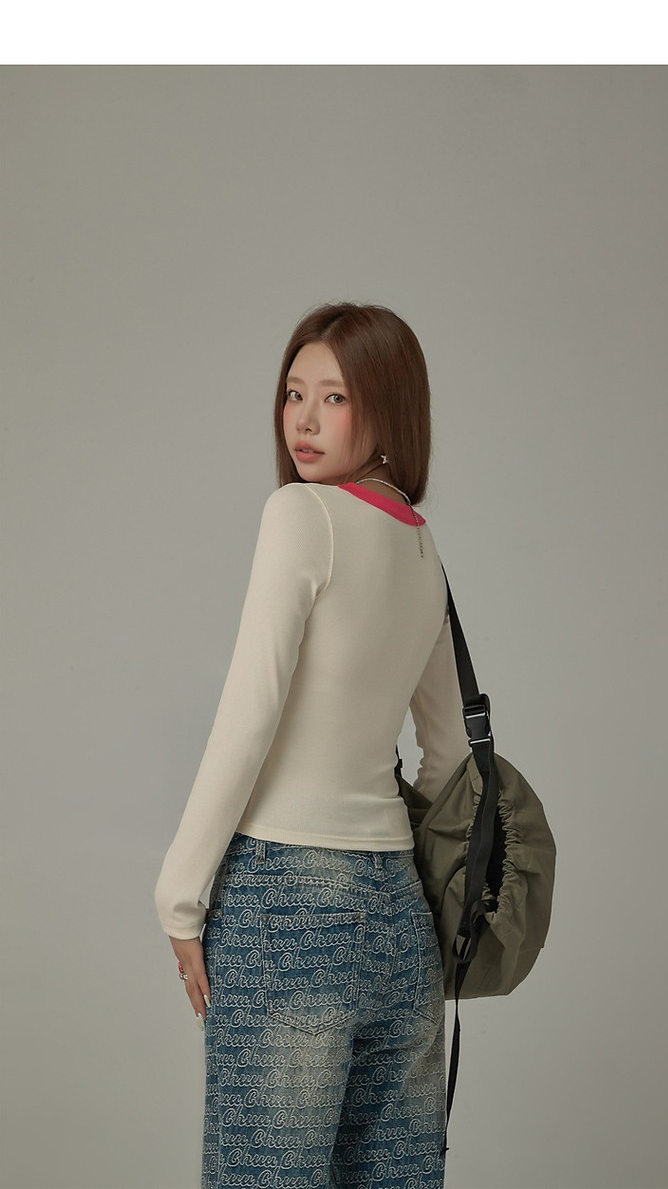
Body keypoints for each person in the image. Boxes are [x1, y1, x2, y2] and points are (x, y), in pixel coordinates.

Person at [154, 301, 469, 1189]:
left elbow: (249, 713)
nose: (304, 418)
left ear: (387, 409)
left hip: (286, 903)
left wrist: (179, 894)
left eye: (335, 396)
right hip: (401, 920)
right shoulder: (423, 549)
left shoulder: (302, 515)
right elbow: (450, 755)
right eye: (295, 392)